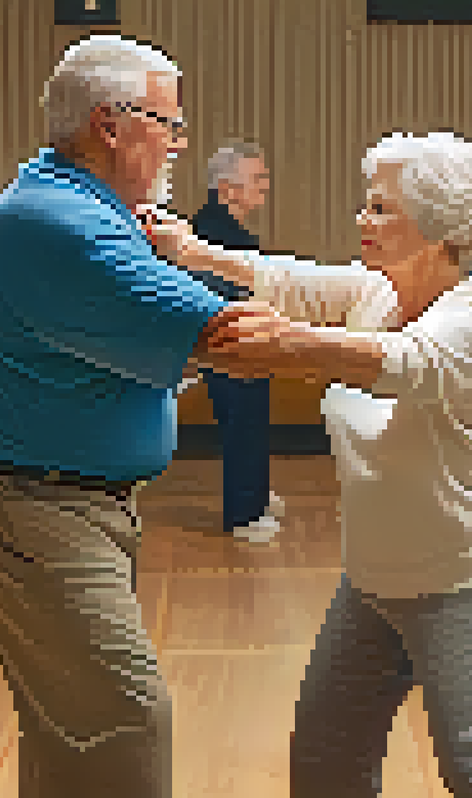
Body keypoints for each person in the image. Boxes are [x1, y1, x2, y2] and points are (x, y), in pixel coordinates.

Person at [145, 131, 472, 797]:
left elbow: (402, 365)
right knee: (327, 765)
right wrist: (190, 250)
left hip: (467, 581)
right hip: (372, 584)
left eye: (381, 208)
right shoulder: (376, 292)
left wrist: (292, 343)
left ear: (438, 225)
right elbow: (292, 278)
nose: (363, 219)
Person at [0, 35, 286, 797]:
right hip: (27, 498)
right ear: (110, 124)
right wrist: (389, 336)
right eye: (168, 124)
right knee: (123, 715)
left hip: (57, 493)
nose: (179, 144)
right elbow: (231, 336)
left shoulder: (96, 208)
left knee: (72, 723)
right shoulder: (60, 222)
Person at [186, 140, 284, 542]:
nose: (265, 184)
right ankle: (245, 514)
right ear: (228, 188)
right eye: (256, 177)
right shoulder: (214, 233)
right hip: (224, 342)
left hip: (233, 339)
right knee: (243, 416)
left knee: (249, 415)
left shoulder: (224, 229)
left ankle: (254, 497)